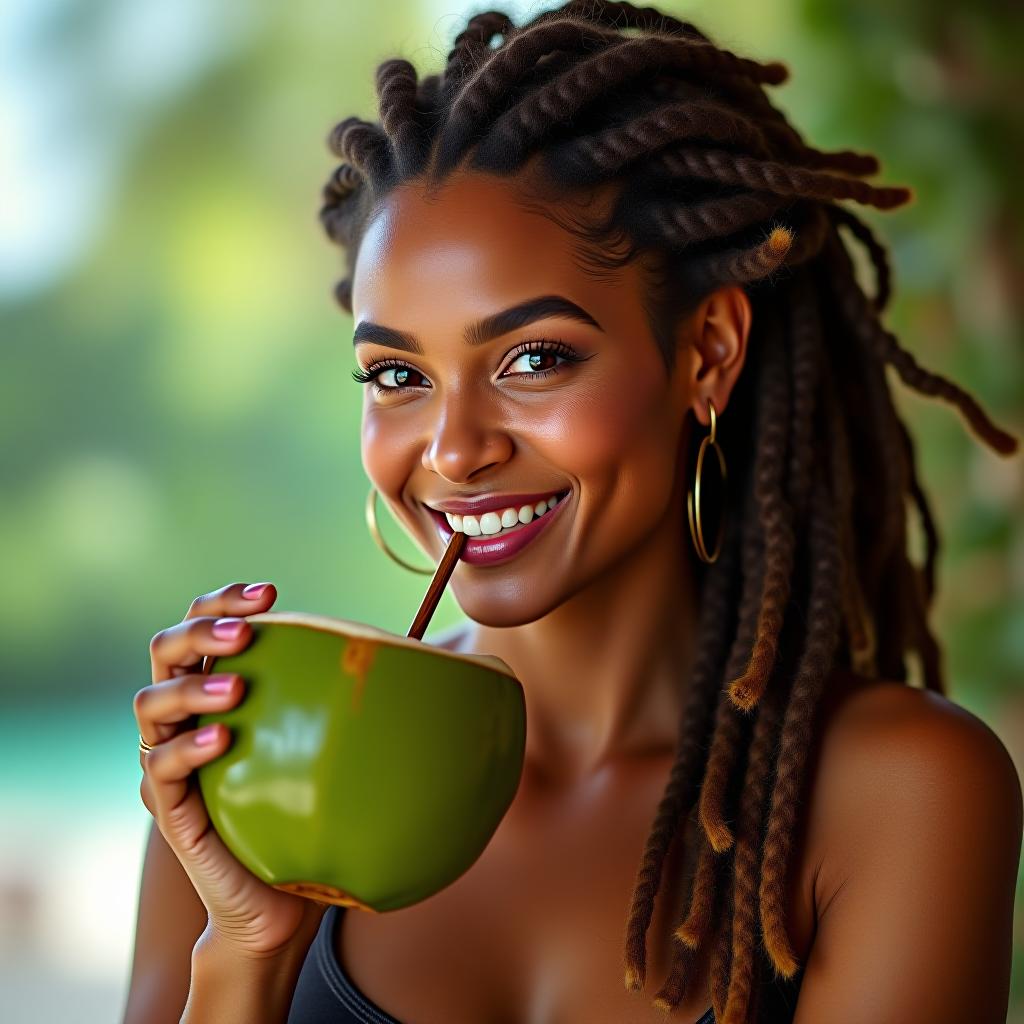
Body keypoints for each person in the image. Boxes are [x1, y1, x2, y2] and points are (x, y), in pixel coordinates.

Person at [123, 3, 1024, 1022]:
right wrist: (245, 953)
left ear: (707, 354)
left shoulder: (894, 792)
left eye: (533, 359)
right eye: (395, 374)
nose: (456, 448)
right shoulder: (238, 768)